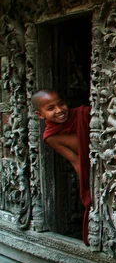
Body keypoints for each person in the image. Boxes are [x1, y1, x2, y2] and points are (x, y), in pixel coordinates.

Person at [32, 89, 91, 246]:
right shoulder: (51, 136)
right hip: (92, 166)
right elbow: (75, 159)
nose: (59, 110)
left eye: (61, 104)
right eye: (50, 108)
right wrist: (88, 186)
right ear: (40, 115)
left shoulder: (82, 113)